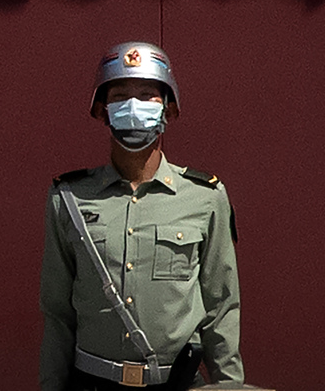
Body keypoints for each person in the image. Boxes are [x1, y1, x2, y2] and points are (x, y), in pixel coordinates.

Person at [39, 42, 244, 391]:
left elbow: (221, 307)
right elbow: (57, 314)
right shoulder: (69, 197)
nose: (133, 107)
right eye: (120, 96)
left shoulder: (205, 197)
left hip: (176, 383)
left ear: (169, 110)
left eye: (148, 95)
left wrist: (229, 385)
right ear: (102, 111)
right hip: (93, 383)